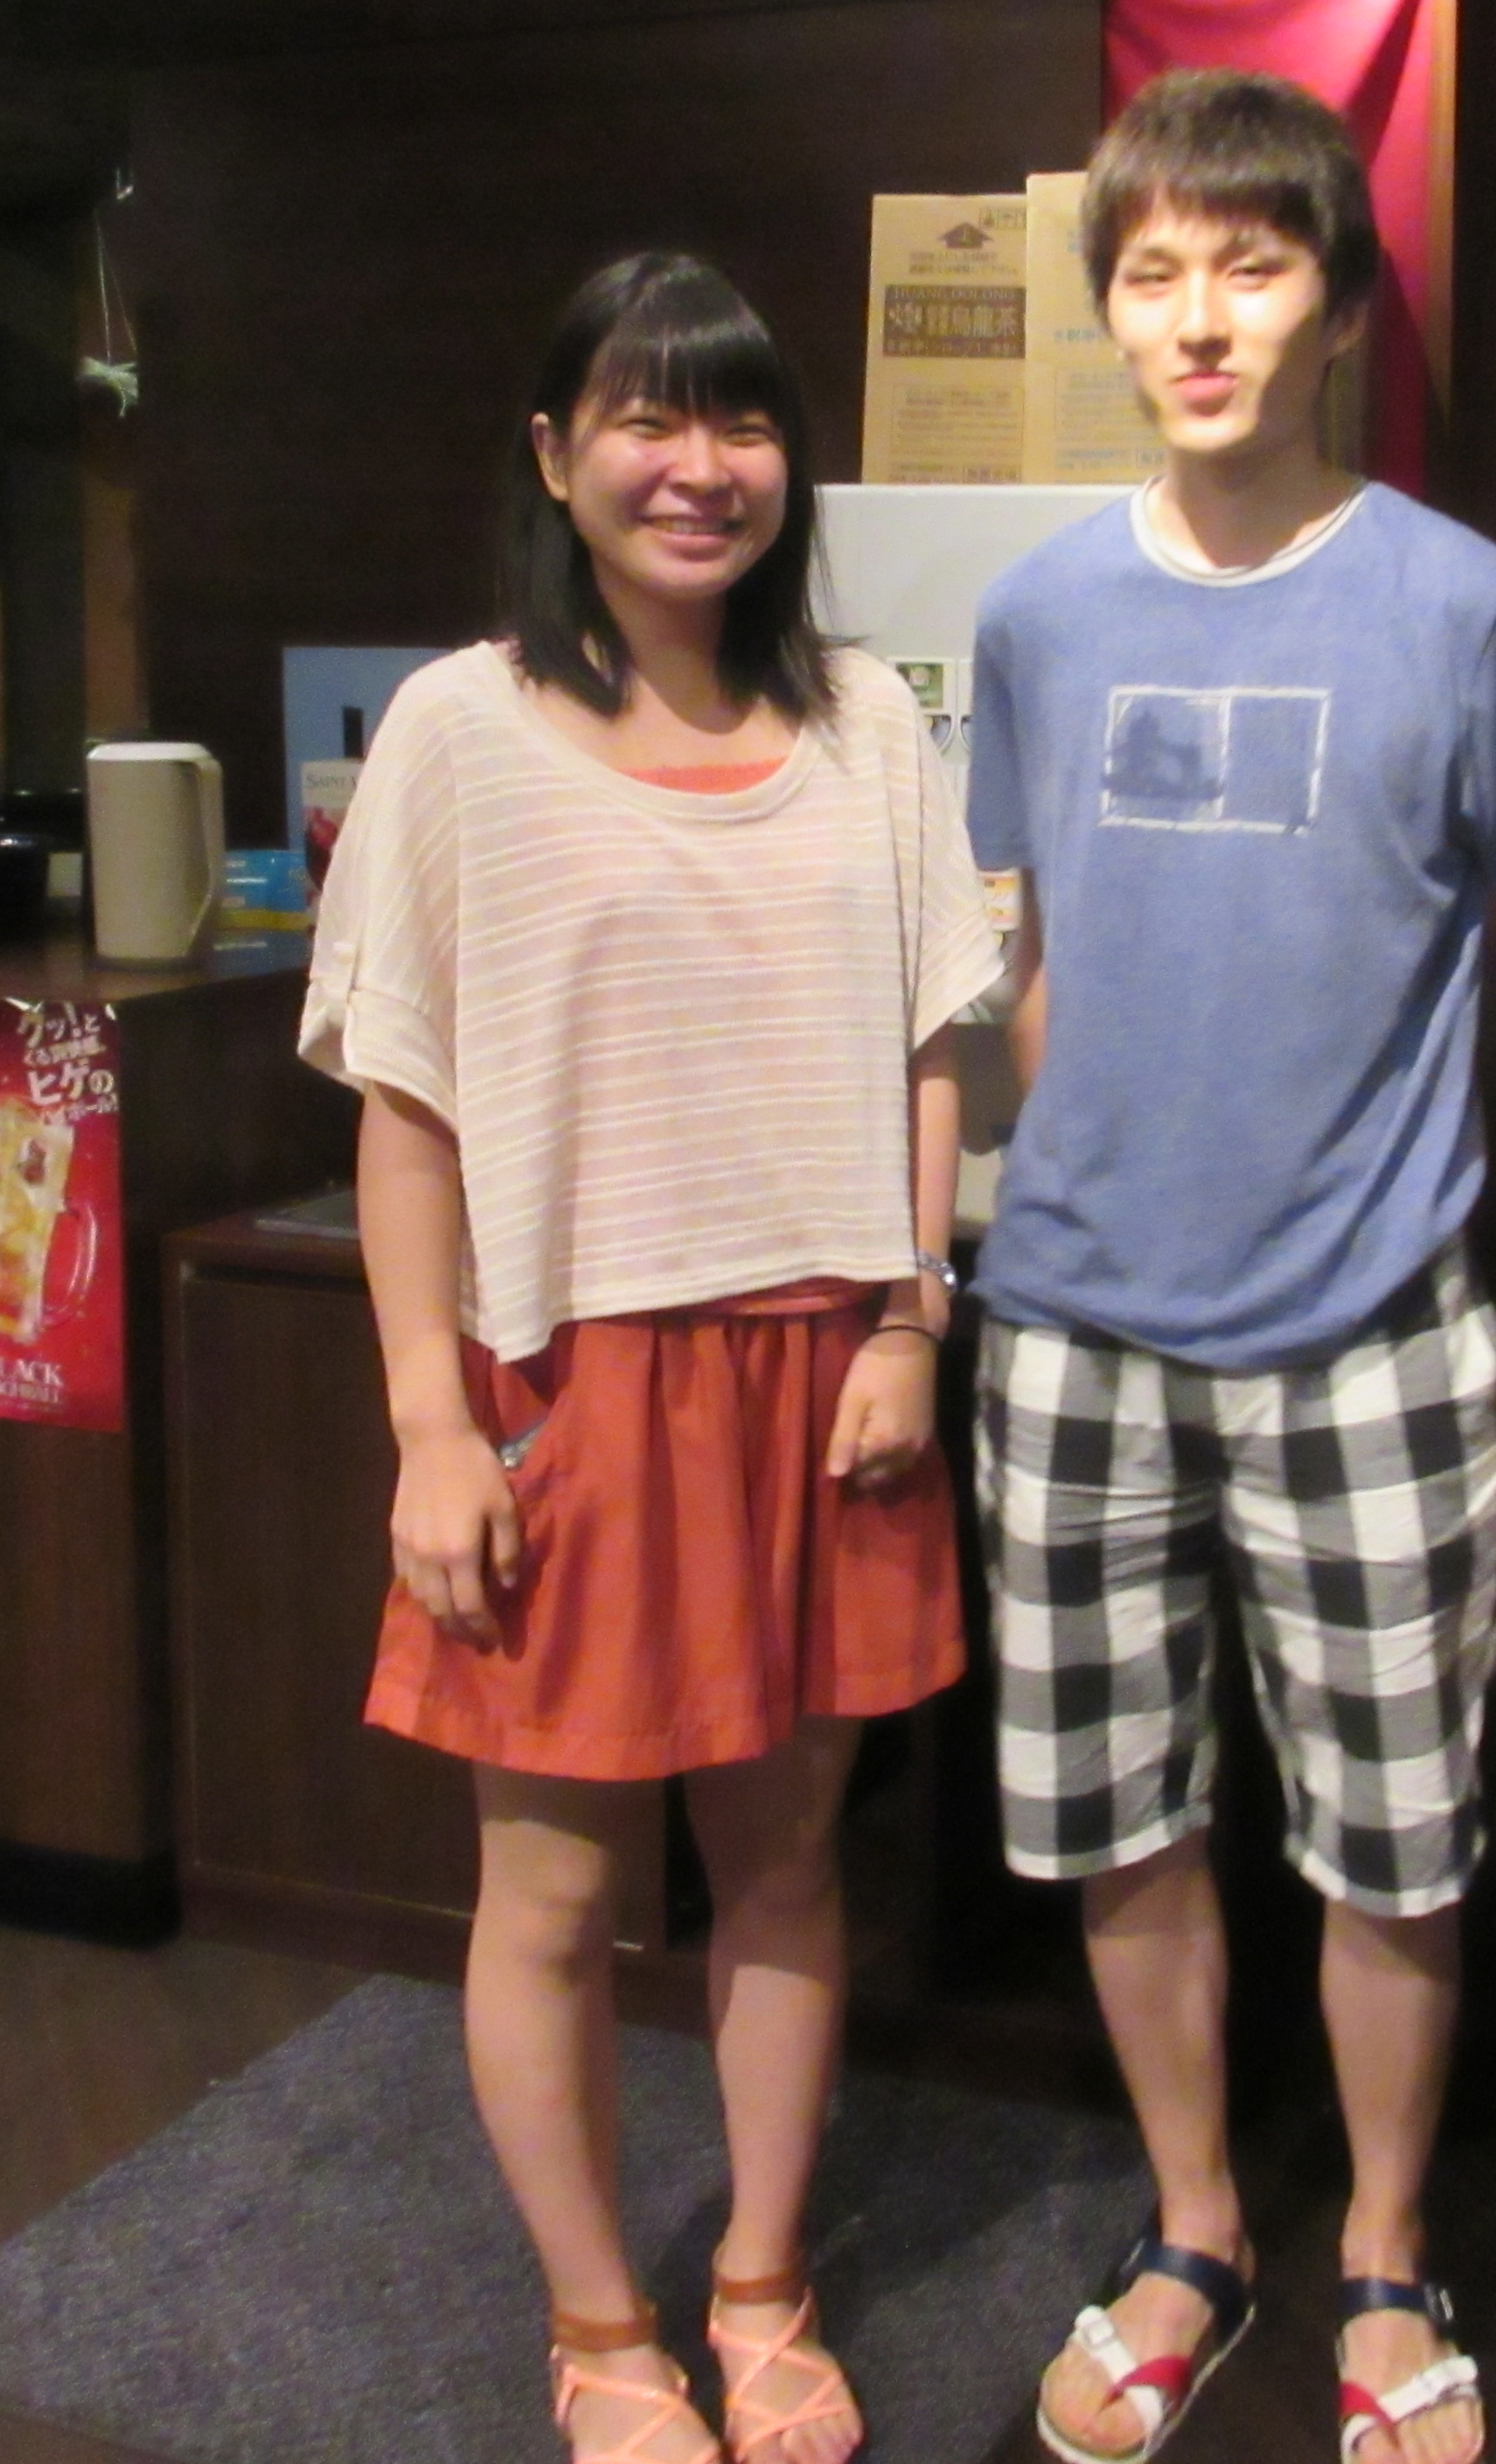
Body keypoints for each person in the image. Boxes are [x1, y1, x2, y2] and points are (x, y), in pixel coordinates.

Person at [965, 69, 1496, 2464]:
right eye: (1154, 271)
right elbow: (1028, 949)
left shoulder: (1457, 602)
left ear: (1339, 302)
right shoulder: (1037, 613)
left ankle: (1386, 2251)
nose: (1200, 318)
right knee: (1115, 1815)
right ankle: (1196, 2228)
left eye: (1251, 265)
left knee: (1393, 1835)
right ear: (1110, 309)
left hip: (1377, 1332)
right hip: (1070, 1333)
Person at [303, 253, 998, 2464]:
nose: (701, 468)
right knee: (553, 1887)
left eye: (743, 423)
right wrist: (429, 1423)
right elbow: (403, 1109)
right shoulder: (458, 727)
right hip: (570, 1379)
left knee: (785, 1864)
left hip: (826, 1369)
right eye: (645, 417)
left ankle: (764, 2279)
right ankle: (600, 2329)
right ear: (553, 454)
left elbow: (933, 1047)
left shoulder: (865, 723)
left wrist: (911, 1314)